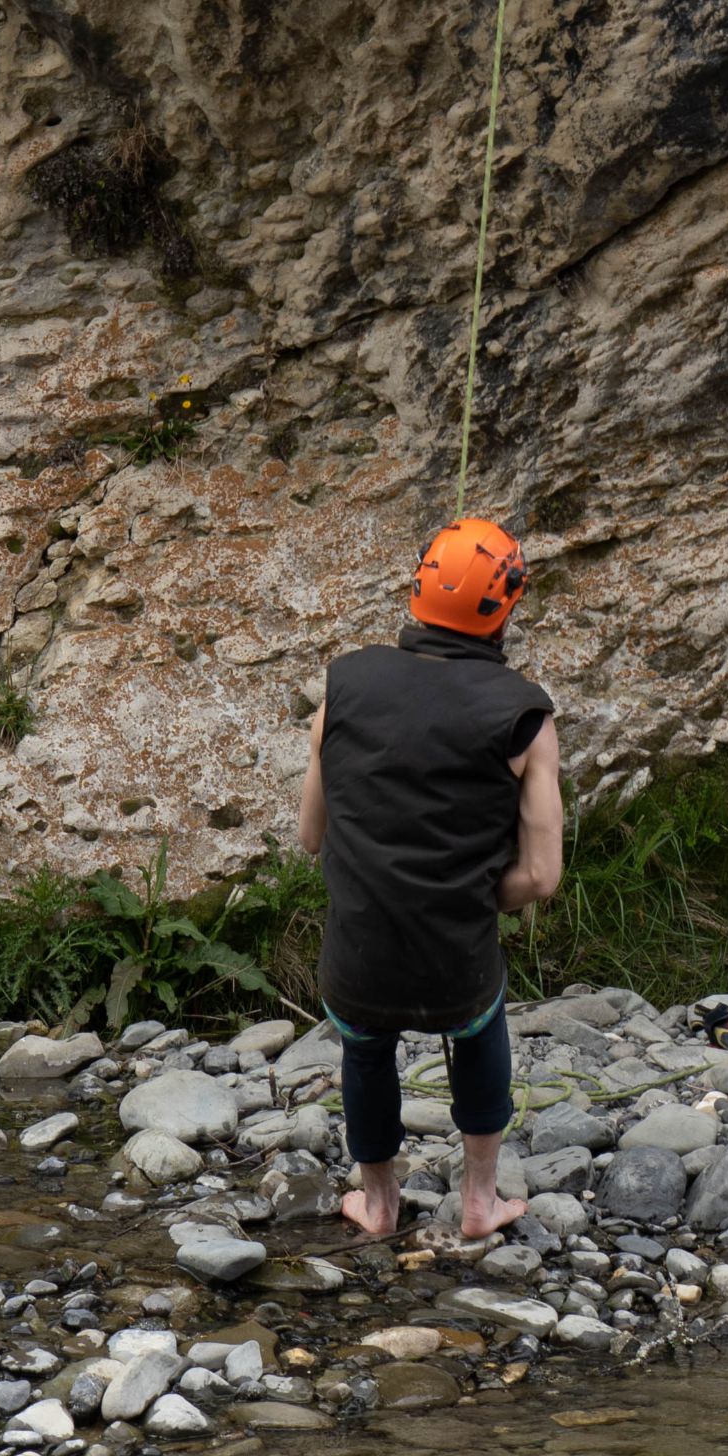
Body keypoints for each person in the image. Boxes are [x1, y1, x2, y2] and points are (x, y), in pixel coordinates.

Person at [296, 515, 562, 1240]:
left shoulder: (341, 690)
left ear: (416, 592)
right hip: (457, 967)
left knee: (366, 1043)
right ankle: (480, 1199)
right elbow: (541, 876)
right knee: (479, 1030)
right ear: (505, 607)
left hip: (358, 963)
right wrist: (476, 898)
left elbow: (310, 835)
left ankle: (377, 1203)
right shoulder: (525, 718)